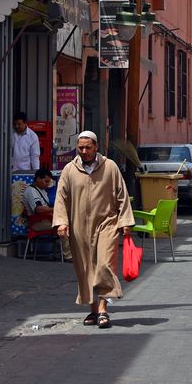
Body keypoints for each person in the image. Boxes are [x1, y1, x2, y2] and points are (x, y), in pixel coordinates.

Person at [52, 131, 134, 328]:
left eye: (88, 147)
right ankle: (93, 310)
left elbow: (122, 195)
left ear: (96, 147)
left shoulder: (110, 167)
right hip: (79, 226)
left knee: (104, 264)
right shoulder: (69, 170)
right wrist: (62, 222)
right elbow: (61, 198)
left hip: (107, 223)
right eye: (81, 148)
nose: (84, 151)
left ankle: (104, 309)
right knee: (85, 269)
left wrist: (125, 222)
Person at [23, 168, 72, 260]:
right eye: (45, 181)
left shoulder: (41, 190)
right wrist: (55, 209)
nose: (47, 184)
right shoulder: (31, 191)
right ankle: (69, 255)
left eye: (49, 182)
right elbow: (38, 209)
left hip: (46, 219)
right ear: (38, 179)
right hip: (38, 222)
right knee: (65, 226)